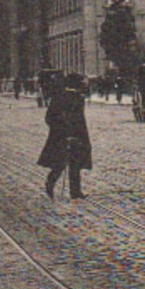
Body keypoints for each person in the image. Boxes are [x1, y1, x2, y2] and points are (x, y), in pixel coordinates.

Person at [37, 72, 92, 200]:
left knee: (76, 164)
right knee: (59, 164)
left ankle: (75, 191)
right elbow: (50, 118)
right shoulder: (60, 97)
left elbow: (79, 119)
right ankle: (50, 184)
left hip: (77, 135)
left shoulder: (78, 97)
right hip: (61, 136)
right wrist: (63, 130)